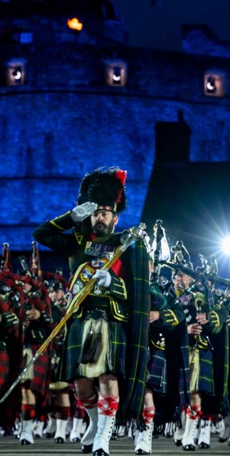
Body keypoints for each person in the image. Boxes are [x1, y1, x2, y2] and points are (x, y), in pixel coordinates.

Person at [32, 167, 151, 456]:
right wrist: (71, 217)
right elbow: (41, 233)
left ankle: (102, 440)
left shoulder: (128, 246)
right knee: (82, 387)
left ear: (115, 217)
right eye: (95, 213)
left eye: (105, 213)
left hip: (110, 321)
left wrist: (112, 284)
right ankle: (95, 426)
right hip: (80, 319)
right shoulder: (77, 241)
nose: (100, 218)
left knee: (108, 379)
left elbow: (139, 294)